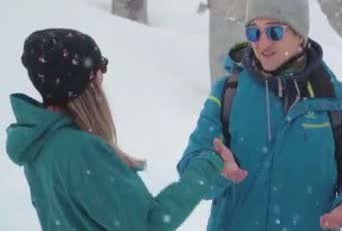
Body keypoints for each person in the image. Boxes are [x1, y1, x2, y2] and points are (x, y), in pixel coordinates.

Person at [177, 0, 342, 231]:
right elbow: (190, 164)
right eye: (254, 32)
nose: (263, 44)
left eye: (274, 32)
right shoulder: (227, 92)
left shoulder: (337, 100)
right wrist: (214, 170)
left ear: (300, 35)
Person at [6, 28, 244, 230]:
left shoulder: (40, 145)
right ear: (83, 80)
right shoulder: (82, 151)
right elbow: (149, 223)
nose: (103, 75)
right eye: (101, 67)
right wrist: (208, 166)